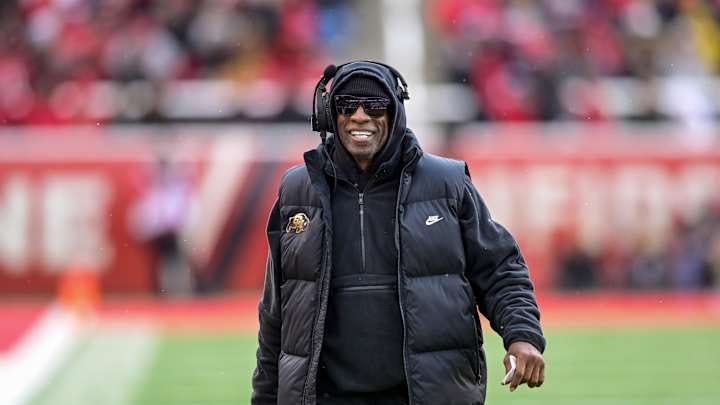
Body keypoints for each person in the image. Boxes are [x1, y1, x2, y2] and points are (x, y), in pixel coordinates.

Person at [252, 60, 546, 405]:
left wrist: (522, 335)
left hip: (424, 395)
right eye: (347, 105)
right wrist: (265, 396)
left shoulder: (447, 183)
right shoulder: (297, 190)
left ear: (394, 111)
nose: (360, 116)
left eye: (374, 105)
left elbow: (499, 269)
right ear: (330, 114)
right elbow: (277, 312)